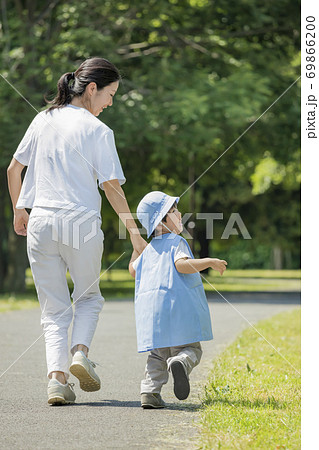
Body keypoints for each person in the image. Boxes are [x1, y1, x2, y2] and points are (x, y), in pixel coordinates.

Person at [7, 57, 146, 405]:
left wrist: (19, 209)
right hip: (80, 222)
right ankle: (80, 354)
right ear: (93, 89)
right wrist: (134, 233)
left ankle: (57, 381)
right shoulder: (98, 130)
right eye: (110, 95)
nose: (110, 104)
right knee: (88, 298)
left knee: (53, 309)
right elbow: (111, 187)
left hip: (41, 220)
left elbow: (13, 169)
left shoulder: (42, 120)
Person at [129, 191, 227, 409]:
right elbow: (181, 265)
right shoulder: (176, 242)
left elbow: (133, 271)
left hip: (153, 315)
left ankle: (149, 391)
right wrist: (208, 261)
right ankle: (181, 361)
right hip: (175, 310)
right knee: (191, 348)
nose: (180, 213)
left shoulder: (148, 250)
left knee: (157, 355)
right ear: (162, 221)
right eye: (174, 211)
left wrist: (136, 249)